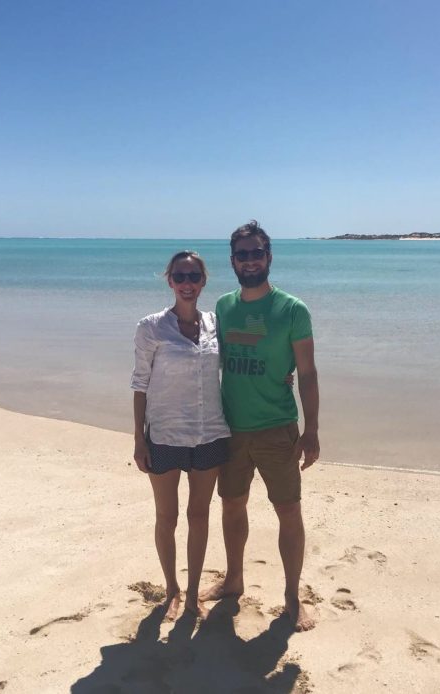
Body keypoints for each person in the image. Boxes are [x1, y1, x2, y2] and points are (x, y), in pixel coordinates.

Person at [202, 220, 321, 631]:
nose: (250, 261)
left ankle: (292, 594)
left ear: (268, 257)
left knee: (288, 509)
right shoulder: (222, 306)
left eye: (256, 253)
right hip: (229, 427)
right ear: (232, 261)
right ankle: (233, 579)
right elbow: (206, 361)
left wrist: (312, 429)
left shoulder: (292, 309)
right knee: (231, 503)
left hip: (277, 426)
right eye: (242, 254)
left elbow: (307, 372)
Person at [130, 250, 230, 620]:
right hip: (165, 434)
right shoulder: (151, 327)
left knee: (199, 515)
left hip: (211, 433)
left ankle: (192, 593)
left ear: (204, 281)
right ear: (169, 281)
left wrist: (285, 374)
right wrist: (139, 439)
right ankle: (171, 588)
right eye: (180, 277)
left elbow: (241, 364)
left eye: (194, 277)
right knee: (167, 516)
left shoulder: (216, 324)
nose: (187, 284)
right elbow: (140, 384)